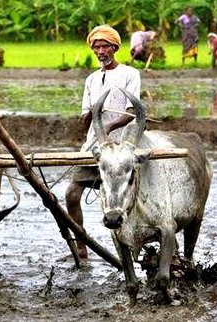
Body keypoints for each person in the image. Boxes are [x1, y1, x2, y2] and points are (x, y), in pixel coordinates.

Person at [65, 25, 141, 259]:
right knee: (71, 194)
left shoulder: (130, 74)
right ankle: (81, 245)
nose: (100, 51)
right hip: (94, 147)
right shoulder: (91, 80)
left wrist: (108, 125)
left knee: (125, 199)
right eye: (96, 46)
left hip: (121, 149)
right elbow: (86, 115)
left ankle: (131, 242)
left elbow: (131, 113)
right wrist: (90, 117)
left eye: (105, 46)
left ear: (114, 48)